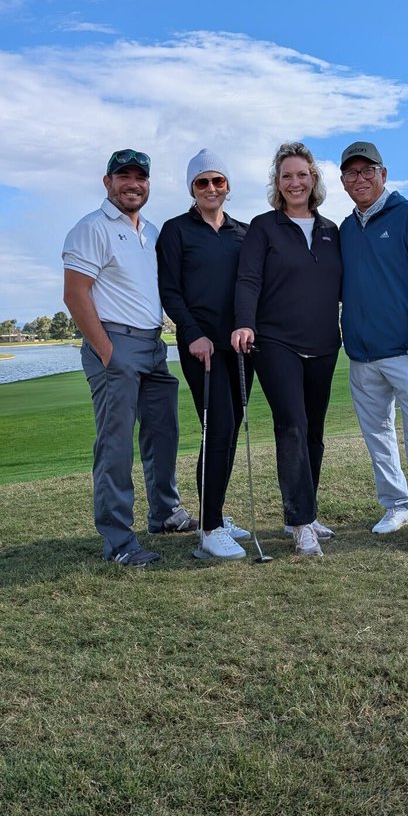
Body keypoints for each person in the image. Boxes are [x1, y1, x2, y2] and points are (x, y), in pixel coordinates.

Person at [62, 148, 194, 567]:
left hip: (154, 346)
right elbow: (75, 295)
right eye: (124, 177)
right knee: (115, 446)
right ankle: (118, 540)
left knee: (163, 433)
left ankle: (165, 513)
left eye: (140, 177)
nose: (132, 184)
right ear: (108, 182)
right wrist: (108, 352)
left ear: (148, 184)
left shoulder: (151, 232)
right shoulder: (91, 228)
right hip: (115, 343)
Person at [231, 142, 342, 557]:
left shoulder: (332, 231)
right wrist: (244, 321)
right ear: (277, 184)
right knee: (292, 425)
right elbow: (248, 279)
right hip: (276, 342)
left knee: (314, 432)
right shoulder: (264, 227)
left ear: (314, 179)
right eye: (286, 176)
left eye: (302, 174)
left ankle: (305, 512)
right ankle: (300, 523)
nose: (295, 182)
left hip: (324, 343)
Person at [338, 141, 408, 553]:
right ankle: (396, 505)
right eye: (352, 173)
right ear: (344, 182)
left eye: (368, 171)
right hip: (362, 355)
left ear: (383, 174)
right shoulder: (346, 229)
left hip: (407, 350)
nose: (360, 179)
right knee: (378, 436)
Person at [157, 149, 254, 561]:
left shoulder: (244, 233)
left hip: (240, 348)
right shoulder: (176, 230)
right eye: (202, 182)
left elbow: (252, 285)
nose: (211, 188)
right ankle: (210, 529)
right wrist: (192, 334)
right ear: (192, 188)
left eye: (218, 181)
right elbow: (170, 291)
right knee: (217, 428)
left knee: (230, 431)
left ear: (228, 186)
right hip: (201, 349)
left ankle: (213, 513)